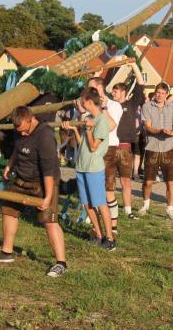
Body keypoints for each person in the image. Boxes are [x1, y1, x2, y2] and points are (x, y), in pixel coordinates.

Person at [0, 106, 68, 277]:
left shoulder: (45, 136)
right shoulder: (20, 130)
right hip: (21, 179)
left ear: (31, 119)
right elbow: (17, 148)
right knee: (8, 211)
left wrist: (48, 197)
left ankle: (61, 263)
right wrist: (10, 165)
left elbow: (48, 171)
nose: (22, 133)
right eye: (18, 131)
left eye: (24, 130)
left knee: (49, 221)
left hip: (43, 182)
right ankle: (6, 252)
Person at [63, 88, 116, 250]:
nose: (81, 103)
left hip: (94, 168)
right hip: (82, 166)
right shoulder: (89, 119)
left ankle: (110, 238)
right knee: (87, 204)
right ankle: (98, 235)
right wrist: (74, 130)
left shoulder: (101, 121)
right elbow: (83, 144)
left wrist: (88, 130)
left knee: (100, 203)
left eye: (82, 101)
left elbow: (93, 147)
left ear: (89, 102)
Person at [139, 82, 173, 219]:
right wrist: (160, 131)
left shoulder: (172, 107)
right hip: (152, 147)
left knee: (170, 181)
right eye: (158, 92)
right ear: (155, 92)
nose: (160, 95)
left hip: (168, 148)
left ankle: (170, 209)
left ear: (167, 94)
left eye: (163, 93)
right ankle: (145, 205)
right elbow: (147, 127)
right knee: (148, 181)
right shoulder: (147, 106)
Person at [110, 62, 146, 219]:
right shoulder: (109, 106)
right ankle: (109, 208)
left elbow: (140, 83)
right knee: (109, 182)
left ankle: (128, 210)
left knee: (126, 181)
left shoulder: (131, 104)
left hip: (125, 148)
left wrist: (134, 65)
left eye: (115, 91)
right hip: (110, 147)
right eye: (112, 91)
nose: (113, 94)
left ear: (123, 92)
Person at [86, 76, 122, 235]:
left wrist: (104, 108)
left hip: (108, 148)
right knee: (93, 188)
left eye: (91, 87)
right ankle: (96, 226)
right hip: (93, 148)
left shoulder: (114, 105)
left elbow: (111, 126)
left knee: (108, 190)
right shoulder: (90, 104)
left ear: (100, 88)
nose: (88, 90)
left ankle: (113, 227)